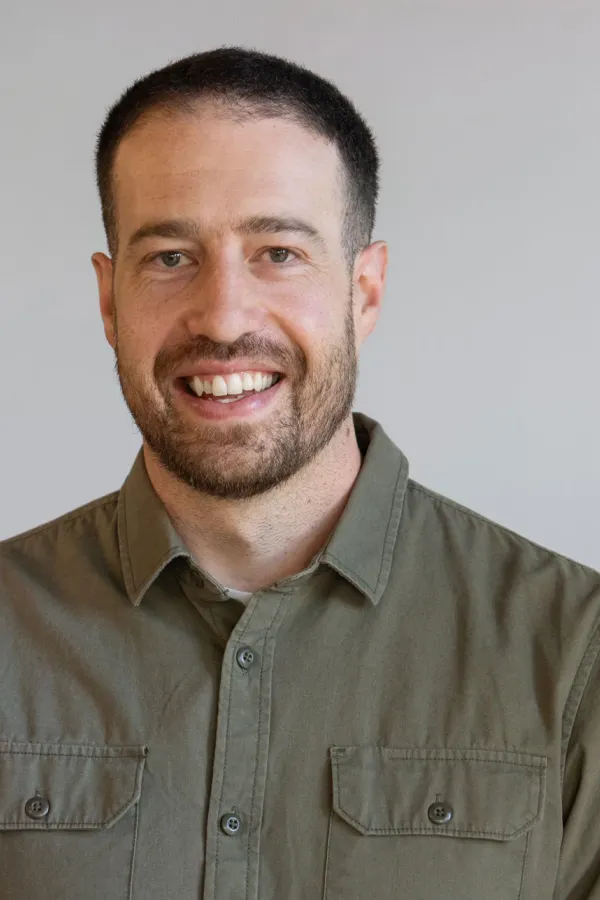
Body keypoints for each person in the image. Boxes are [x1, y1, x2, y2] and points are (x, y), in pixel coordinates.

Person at [1, 46, 599, 900]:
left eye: (279, 251)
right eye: (170, 257)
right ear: (109, 301)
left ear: (365, 291)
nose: (223, 317)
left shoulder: (576, 649)